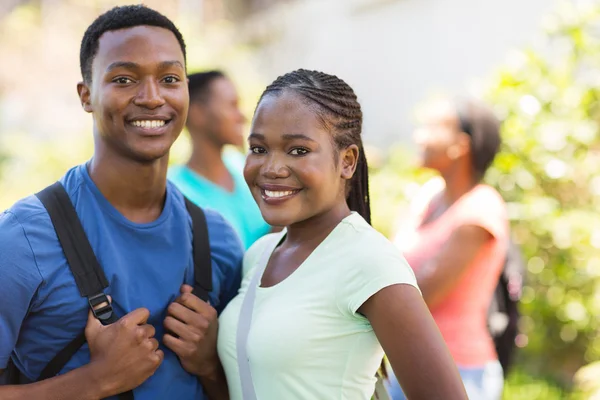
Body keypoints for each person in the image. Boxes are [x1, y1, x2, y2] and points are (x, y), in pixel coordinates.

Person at [0, 5, 242, 400]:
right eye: (125, 79)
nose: (151, 98)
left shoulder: (218, 240)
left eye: (169, 78)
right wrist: (95, 381)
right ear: (86, 96)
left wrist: (212, 365)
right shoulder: (22, 238)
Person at [216, 69, 468, 399]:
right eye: (259, 149)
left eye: (298, 151)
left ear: (347, 161)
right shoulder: (259, 255)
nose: (271, 168)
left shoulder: (369, 261)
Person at [386, 98, 509, 399]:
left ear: (460, 145)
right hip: (407, 366)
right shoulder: (429, 196)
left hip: (457, 372)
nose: (419, 136)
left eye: (432, 129)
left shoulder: (480, 210)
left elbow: (421, 296)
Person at [169, 71, 271, 250]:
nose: (242, 116)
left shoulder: (245, 167)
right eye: (232, 105)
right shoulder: (174, 192)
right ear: (197, 113)